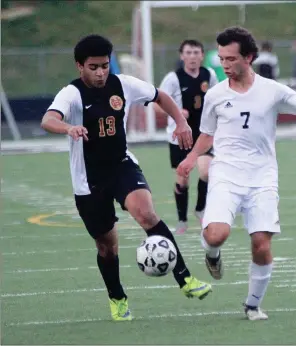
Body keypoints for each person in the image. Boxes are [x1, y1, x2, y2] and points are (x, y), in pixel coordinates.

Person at [40, 34, 212, 322]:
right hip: (88, 178)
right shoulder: (71, 94)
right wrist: (68, 128)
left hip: (122, 165)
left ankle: (185, 280)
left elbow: (161, 96)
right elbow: (48, 119)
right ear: (79, 66)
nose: (100, 72)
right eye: (93, 67)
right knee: (107, 247)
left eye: (105, 66)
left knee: (146, 214)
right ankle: (117, 297)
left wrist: (181, 122)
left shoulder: (124, 84)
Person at [177, 27, 296, 321]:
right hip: (225, 173)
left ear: (249, 57)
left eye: (231, 59)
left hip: (262, 176)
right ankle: (212, 254)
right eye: (222, 59)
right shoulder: (215, 95)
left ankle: (252, 305)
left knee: (261, 244)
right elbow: (207, 134)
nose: (224, 65)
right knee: (216, 235)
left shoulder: (271, 90)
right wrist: (190, 158)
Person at [154, 39, 218, 234]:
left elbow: (218, 98)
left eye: (196, 52)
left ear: (202, 55)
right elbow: (157, 104)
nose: (192, 56)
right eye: (188, 53)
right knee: (183, 178)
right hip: (180, 136)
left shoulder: (210, 75)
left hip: (204, 134)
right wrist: (176, 112)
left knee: (206, 172)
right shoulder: (173, 78)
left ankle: (201, 209)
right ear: (182, 56)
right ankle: (182, 219)